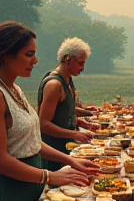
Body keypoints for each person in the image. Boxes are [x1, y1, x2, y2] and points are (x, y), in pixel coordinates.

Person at [0, 21, 99, 201]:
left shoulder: (14, 88)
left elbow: (31, 142)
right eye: (29, 54)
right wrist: (50, 176)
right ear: (7, 55)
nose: (35, 61)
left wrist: (70, 160)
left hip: (29, 187)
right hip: (10, 193)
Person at [37, 37, 99, 172]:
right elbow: (43, 124)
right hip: (53, 153)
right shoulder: (54, 84)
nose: (83, 68)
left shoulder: (67, 79)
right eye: (81, 63)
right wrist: (73, 134)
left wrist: (82, 122)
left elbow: (65, 108)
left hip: (65, 149)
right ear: (67, 59)